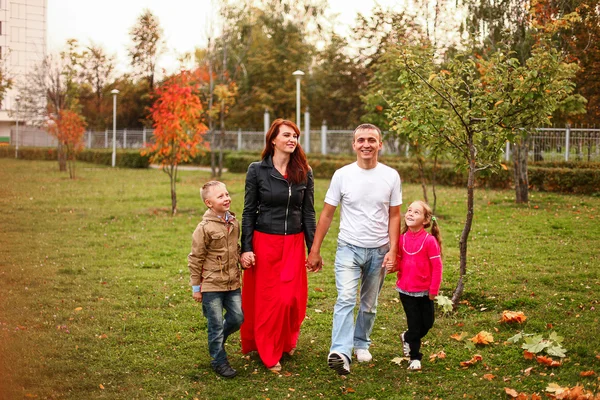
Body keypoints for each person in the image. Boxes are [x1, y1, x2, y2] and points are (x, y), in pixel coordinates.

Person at [307, 123, 402, 375]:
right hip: (348, 248)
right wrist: (315, 250)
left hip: (379, 250)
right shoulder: (342, 175)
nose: (366, 145)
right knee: (346, 298)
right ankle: (340, 350)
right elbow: (327, 215)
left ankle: (361, 342)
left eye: (371, 140)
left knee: (369, 303)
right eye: (361, 140)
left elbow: (394, 216)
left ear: (380, 144)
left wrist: (393, 250)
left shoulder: (391, 176)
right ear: (354, 145)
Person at [240, 118, 316, 373]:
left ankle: (285, 341)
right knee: (270, 302)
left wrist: (312, 249)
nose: (292, 139)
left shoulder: (304, 171)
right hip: (265, 243)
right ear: (273, 139)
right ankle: (268, 351)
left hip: (293, 243)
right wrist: (246, 247)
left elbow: (308, 213)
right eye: (287, 135)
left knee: (293, 300)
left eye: (295, 135)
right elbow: (248, 211)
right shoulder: (257, 170)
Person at [188, 181, 244, 379]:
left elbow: (234, 248)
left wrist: (242, 258)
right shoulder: (204, 228)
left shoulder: (234, 223)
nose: (226, 198)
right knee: (215, 324)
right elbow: (195, 258)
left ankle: (217, 339)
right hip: (211, 284)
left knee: (238, 318)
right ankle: (219, 361)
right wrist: (196, 287)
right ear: (208, 203)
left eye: (227, 194)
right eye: (220, 196)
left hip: (232, 282)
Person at [385, 200, 443, 371]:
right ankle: (415, 357)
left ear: (425, 220)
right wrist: (391, 267)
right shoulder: (401, 239)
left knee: (428, 323)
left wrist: (433, 290)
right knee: (414, 323)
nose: (410, 214)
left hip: (425, 291)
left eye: (416, 212)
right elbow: (399, 262)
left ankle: (407, 337)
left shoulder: (429, 241)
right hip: (406, 291)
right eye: (409, 210)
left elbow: (437, 267)